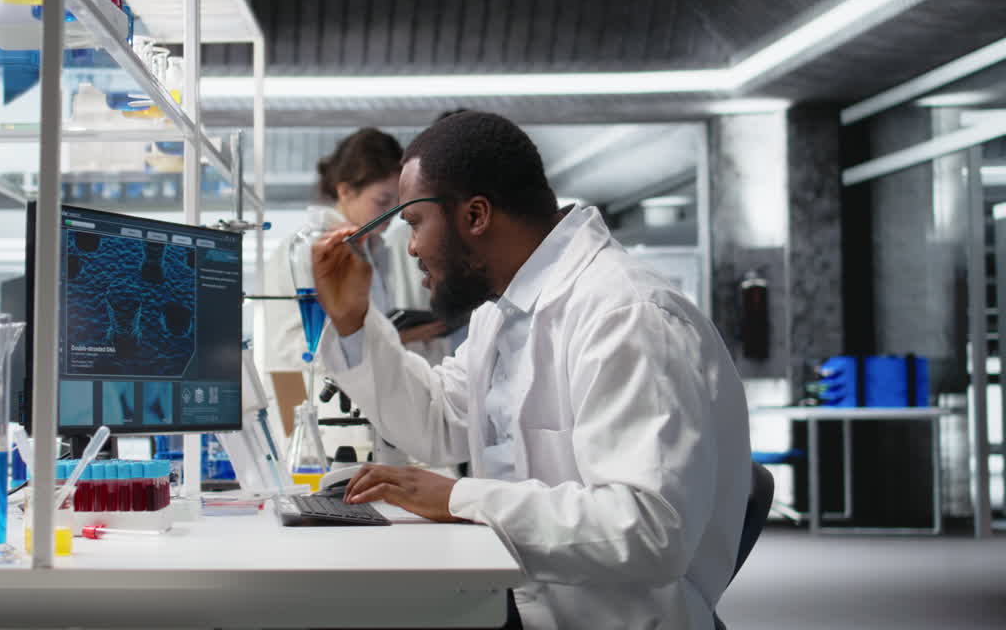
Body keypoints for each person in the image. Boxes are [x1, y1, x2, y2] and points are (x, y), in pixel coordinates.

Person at [311, 112, 752, 629]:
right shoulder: (503, 311)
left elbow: (650, 530)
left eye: (414, 224)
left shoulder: (626, 314)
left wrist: (460, 498)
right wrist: (353, 322)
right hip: (526, 602)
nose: (410, 247)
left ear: (475, 216)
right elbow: (436, 419)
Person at [254, 127, 446, 443]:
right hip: (316, 410)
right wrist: (390, 336)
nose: (389, 215)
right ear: (345, 192)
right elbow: (292, 349)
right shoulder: (311, 250)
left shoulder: (373, 250)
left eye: (396, 204)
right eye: (381, 201)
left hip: (362, 408)